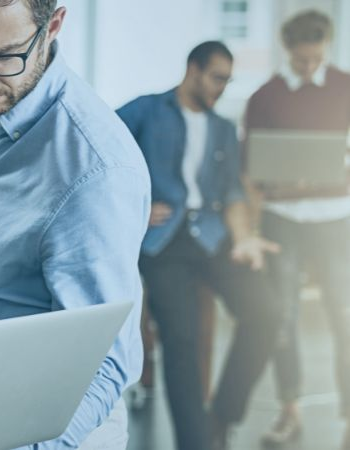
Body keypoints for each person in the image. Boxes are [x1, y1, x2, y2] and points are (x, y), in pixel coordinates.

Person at [0, 0, 150, 448]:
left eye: (5, 56)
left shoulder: (96, 172)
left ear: (53, 27)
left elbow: (105, 363)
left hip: (44, 434)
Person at [117, 41, 282, 450]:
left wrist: (243, 239)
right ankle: (196, 444)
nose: (222, 88)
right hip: (163, 244)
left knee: (266, 313)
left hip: (213, 238)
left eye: (228, 80)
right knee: (182, 340)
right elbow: (100, 157)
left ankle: (221, 417)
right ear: (193, 69)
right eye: (217, 77)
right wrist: (136, 203)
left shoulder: (224, 129)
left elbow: (233, 197)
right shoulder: (145, 110)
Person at [244, 10, 350, 449]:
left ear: (325, 47)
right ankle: (290, 409)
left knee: (344, 316)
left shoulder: (346, 86)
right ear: (288, 50)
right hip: (282, 218)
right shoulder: (265, 97)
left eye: (315, 59)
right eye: (301, 60)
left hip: (336, 216)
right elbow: (250, 168)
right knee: (282, 317)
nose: (308, 68)